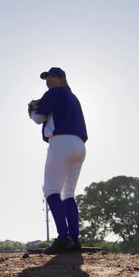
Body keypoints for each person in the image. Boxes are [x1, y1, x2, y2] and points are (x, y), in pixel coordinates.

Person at [28, 67, 88, 254]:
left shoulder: (53, 92)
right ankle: (74, 239)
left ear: (61, 78)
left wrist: (31, 110)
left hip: (60, 141)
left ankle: (63, 238)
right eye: (46, 77)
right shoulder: (73, 97)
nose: (47, 80)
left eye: (51, 76)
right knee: (68, 193)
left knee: (51, 190)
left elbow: (39, 118)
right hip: (79, 145)